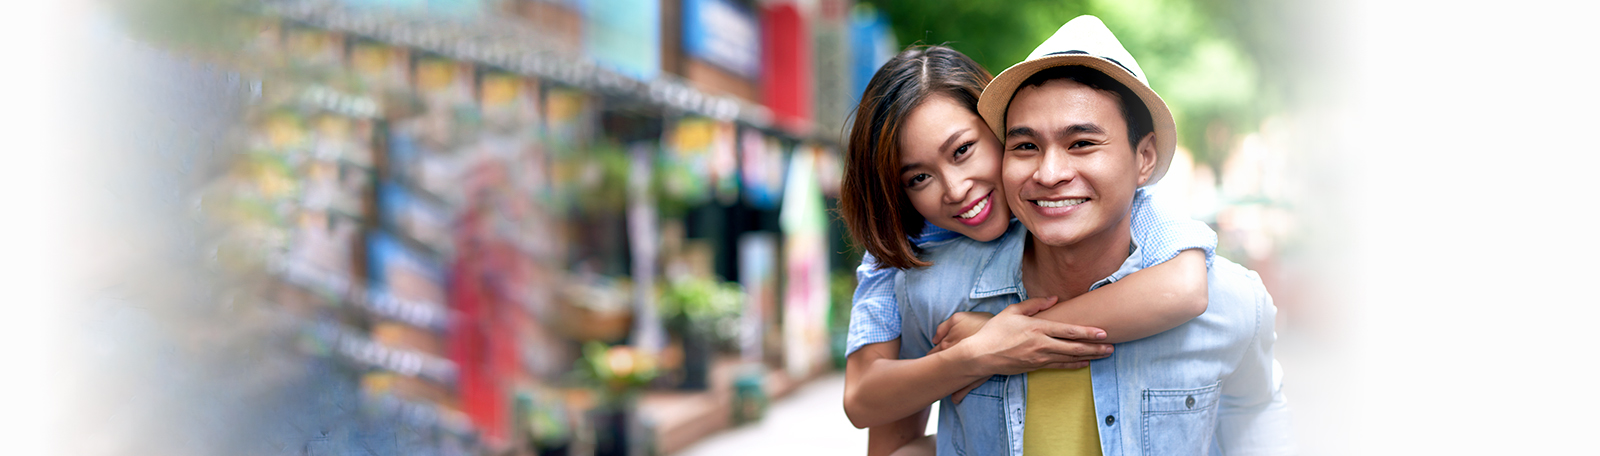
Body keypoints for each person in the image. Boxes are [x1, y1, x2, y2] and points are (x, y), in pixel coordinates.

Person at [896, 15, 1293, 455]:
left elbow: (1257, 411)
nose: (1049, 174)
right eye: (1025, 146)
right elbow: (894, 433)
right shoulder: (936, 293)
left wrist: (1010, 335)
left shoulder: (1230, 305)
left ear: (1144, 158)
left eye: (1081, 143)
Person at [837, 44, 1221, 455]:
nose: (955, 189)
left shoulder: (1075, 201)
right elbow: (865, 403)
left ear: (1003, 129)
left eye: (962, 151)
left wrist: (999, 329)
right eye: (918, 178)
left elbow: (1185, 287)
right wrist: (976, 355)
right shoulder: (905, 257)